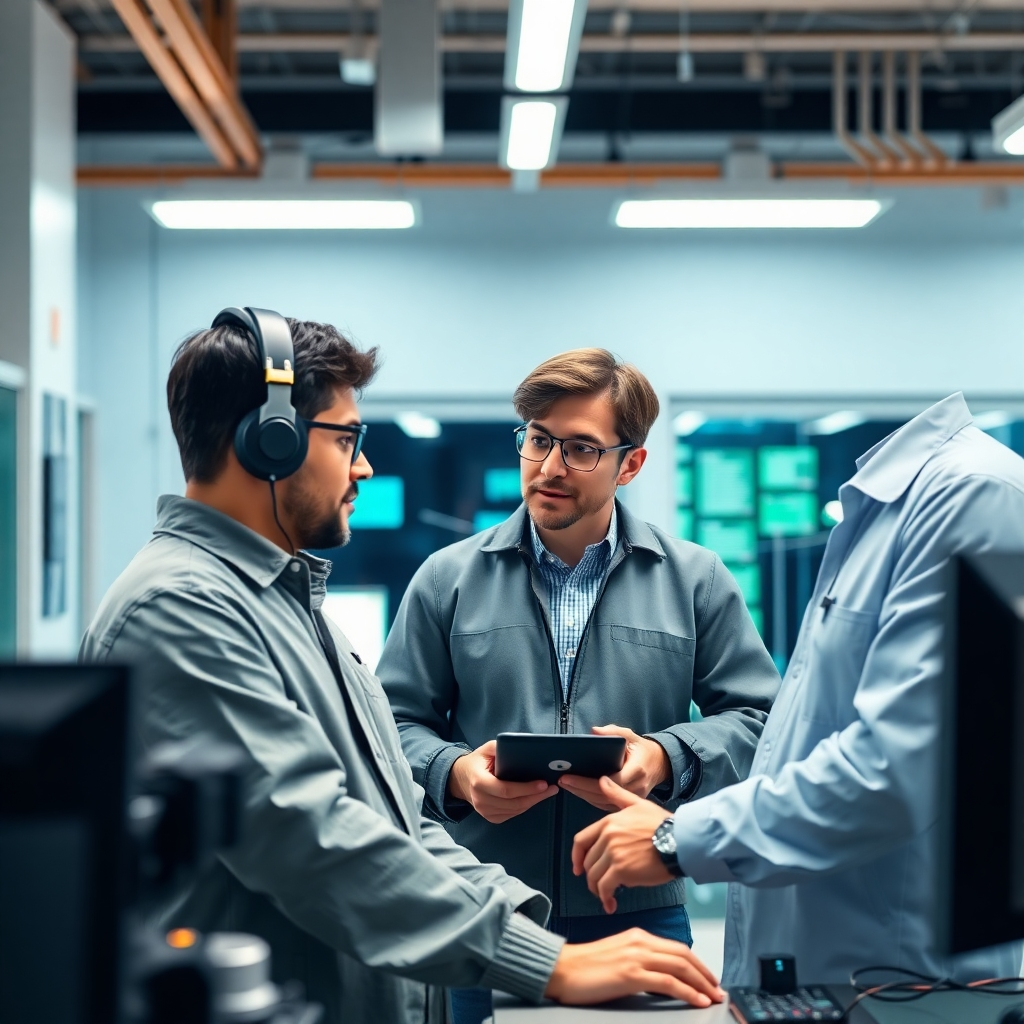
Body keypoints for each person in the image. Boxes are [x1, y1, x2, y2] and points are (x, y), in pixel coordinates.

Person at [79, 311, 725, 1024]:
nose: (363, 466)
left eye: (578, 449)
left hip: (466, 944)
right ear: (270, 441)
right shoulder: (183, 608)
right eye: (347, 438)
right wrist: (547, 957)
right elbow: (310, 835)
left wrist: (524, 924)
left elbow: (394, 818)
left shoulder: (286, 605)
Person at [378, 348, 780, 1024]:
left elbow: (758, 717)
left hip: (639, 913)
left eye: (582, 448)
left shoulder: (695, 580)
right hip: (480, 915)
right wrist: (455, 774)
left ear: (632, 463)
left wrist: (665, 757)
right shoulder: (446, 579)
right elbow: (391, 723)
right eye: (539, 440)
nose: (551, 467)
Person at [571, 392, 1024, 986]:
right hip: (831, 973)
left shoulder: (974, 495)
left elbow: (900, 768)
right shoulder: (884, 504)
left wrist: (677, 834)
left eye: (581, 448)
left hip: (899, 982)